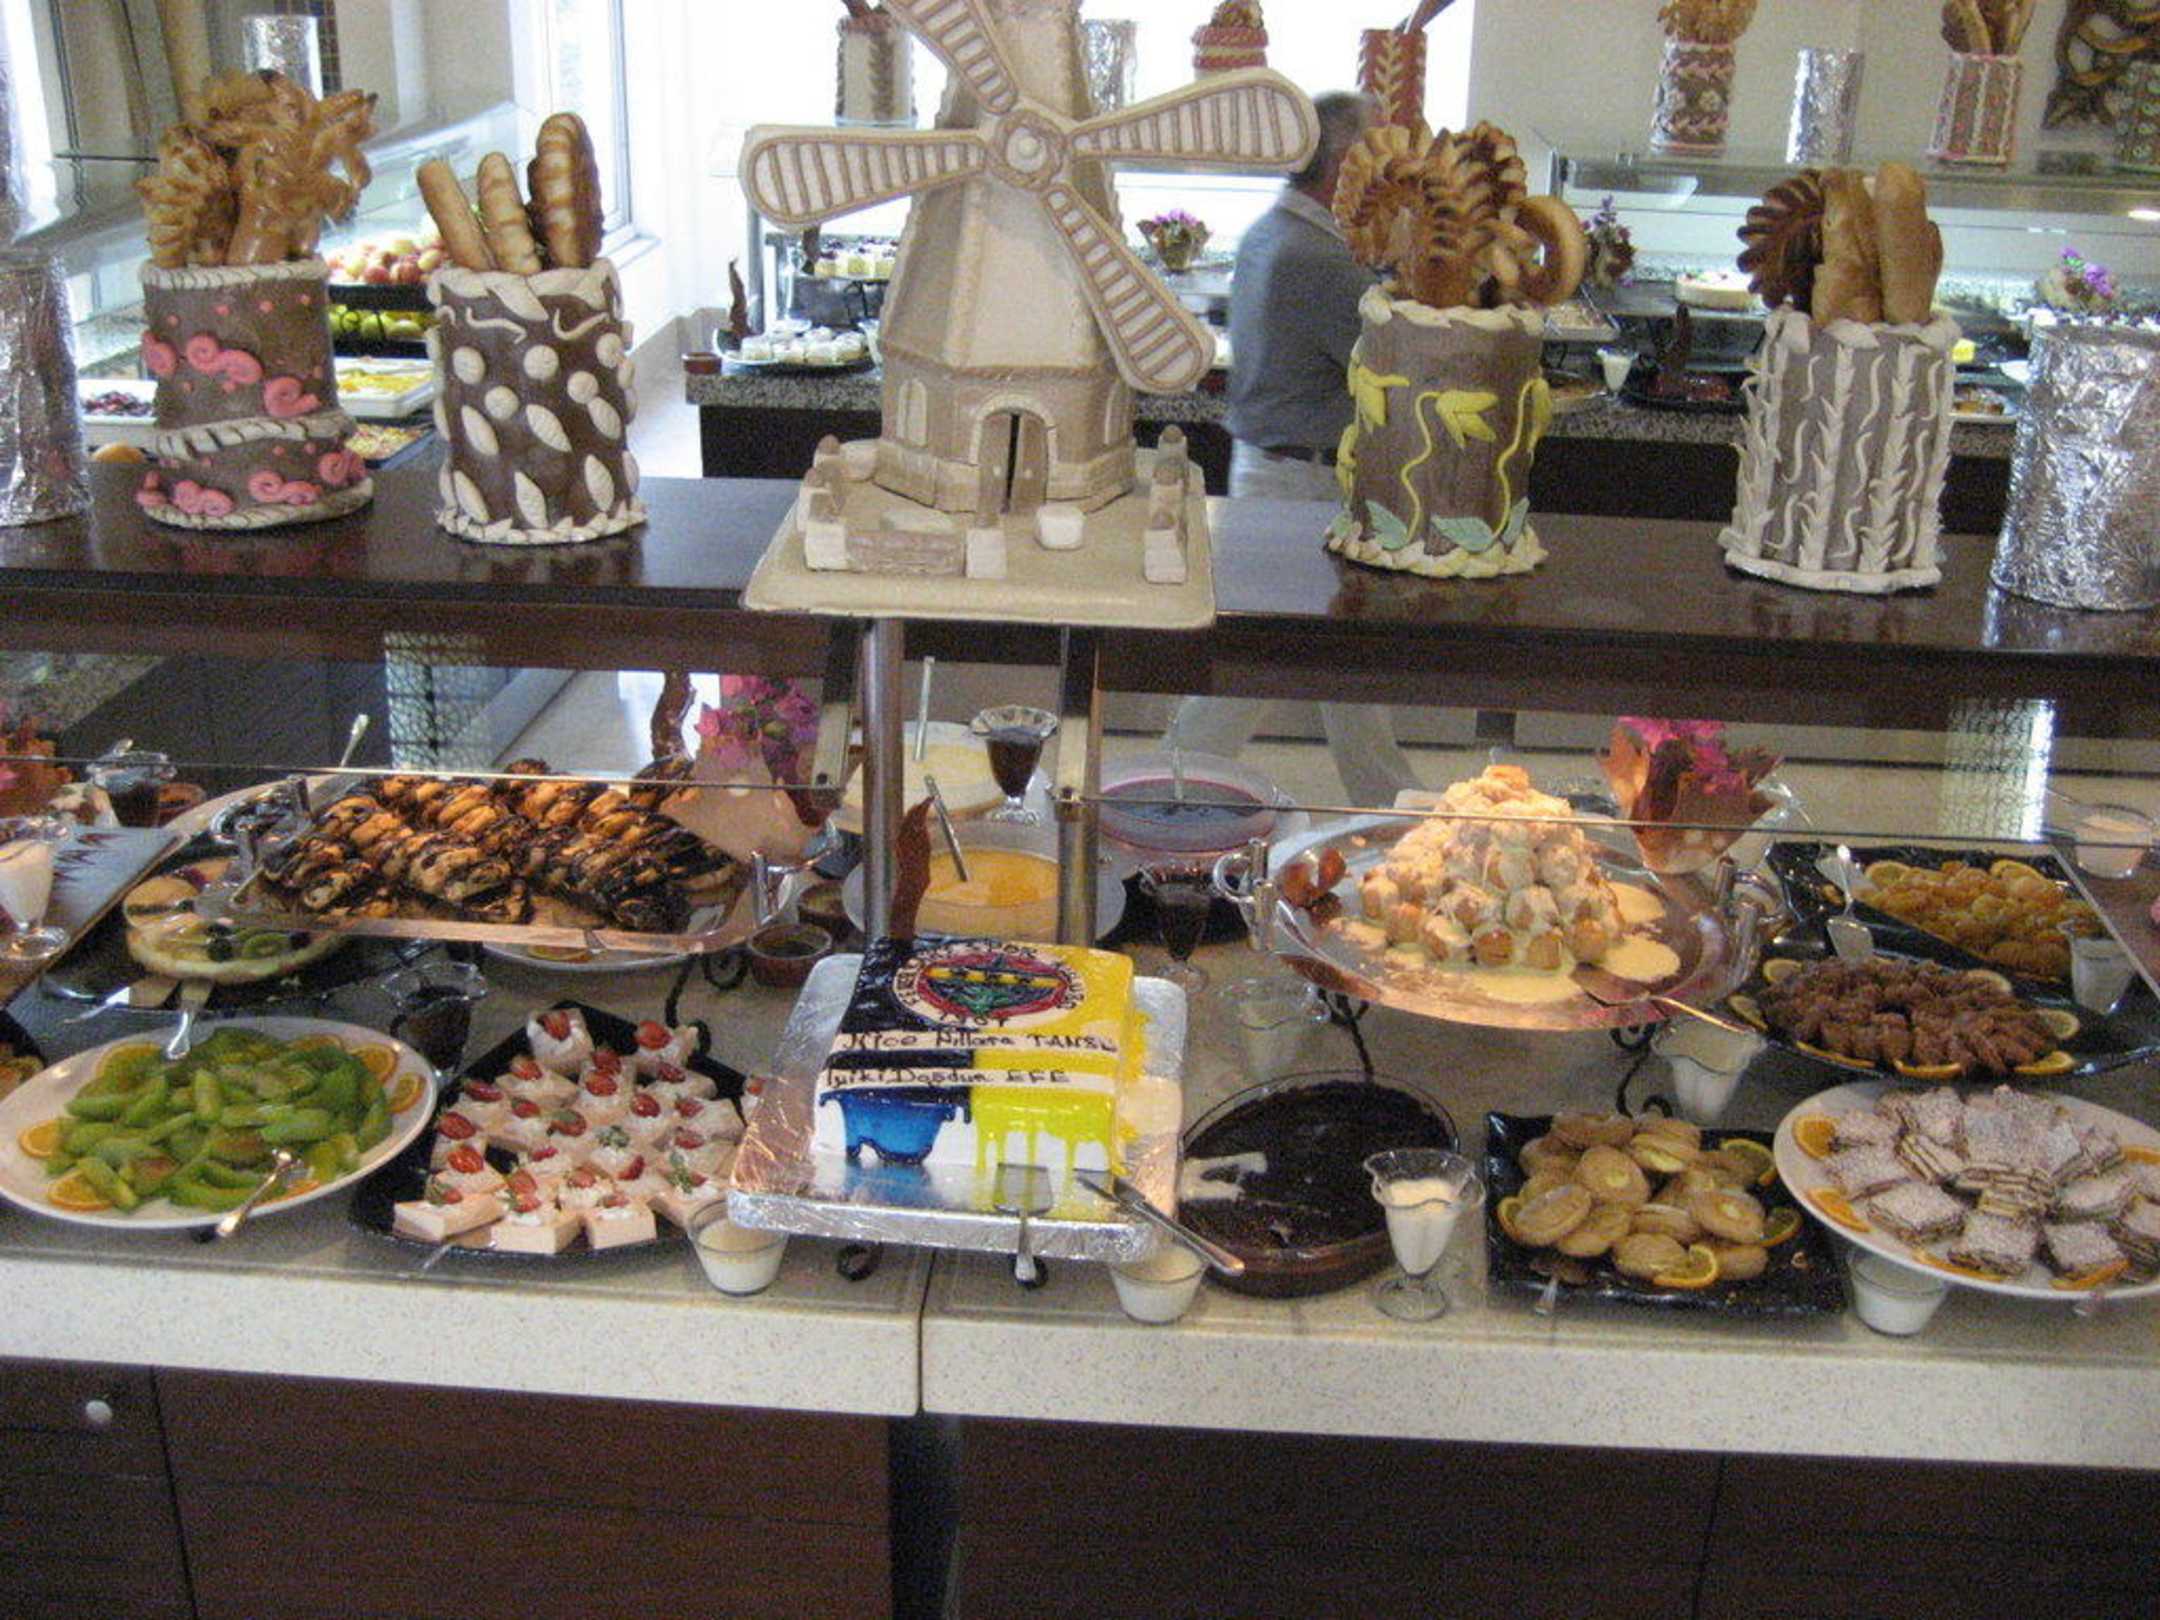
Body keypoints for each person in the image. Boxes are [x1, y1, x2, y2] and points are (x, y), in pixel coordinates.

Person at [1163, 90, 1421, 811]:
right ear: (1342, 164)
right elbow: (1391, 366)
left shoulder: (1271, 232)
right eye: (1375, 156)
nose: (1386, 174)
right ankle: (1163, 792)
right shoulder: (1318, 257)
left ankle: (1387, 802)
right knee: (1263, 660)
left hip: (1276, 467)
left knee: (1330, 658)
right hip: (1303, 481)